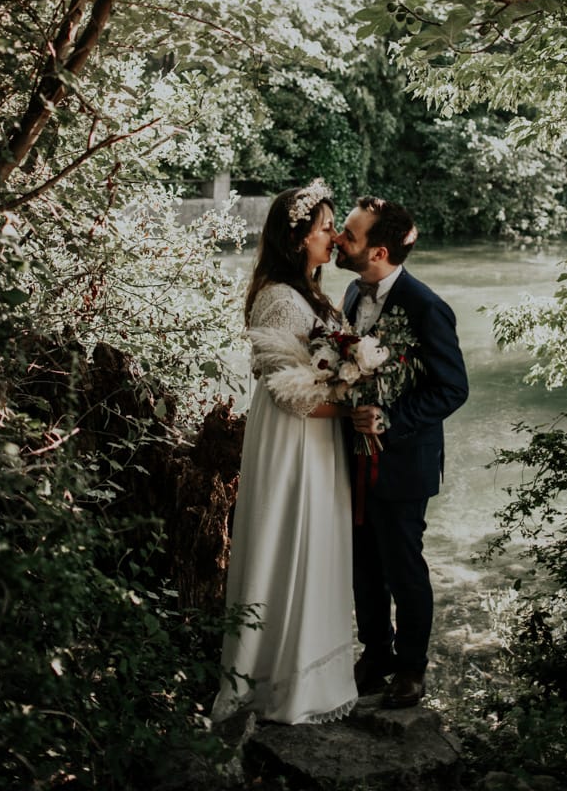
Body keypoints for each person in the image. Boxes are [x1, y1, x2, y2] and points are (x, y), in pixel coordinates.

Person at [212, 179, 358, 725]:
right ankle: (274, 682)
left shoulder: (314, 294)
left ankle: (314, 671)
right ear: (298, 239)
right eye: (325, 228)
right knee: (288, 544)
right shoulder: (278, 298)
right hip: (292, 446)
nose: (334, 236)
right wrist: (350, 408)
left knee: (317, 546)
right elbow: (290, 396)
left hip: (320, 446)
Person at [335, 196, 468, 710]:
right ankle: (376, 656)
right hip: (351, 456)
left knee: (403, 567)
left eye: (350, 234)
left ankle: (411, 668)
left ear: (379, 251)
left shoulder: (425, 306)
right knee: (362, 563)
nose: (341, 240)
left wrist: (389, 421)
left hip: (404, 461)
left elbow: (452, 388)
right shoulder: (351, 292)